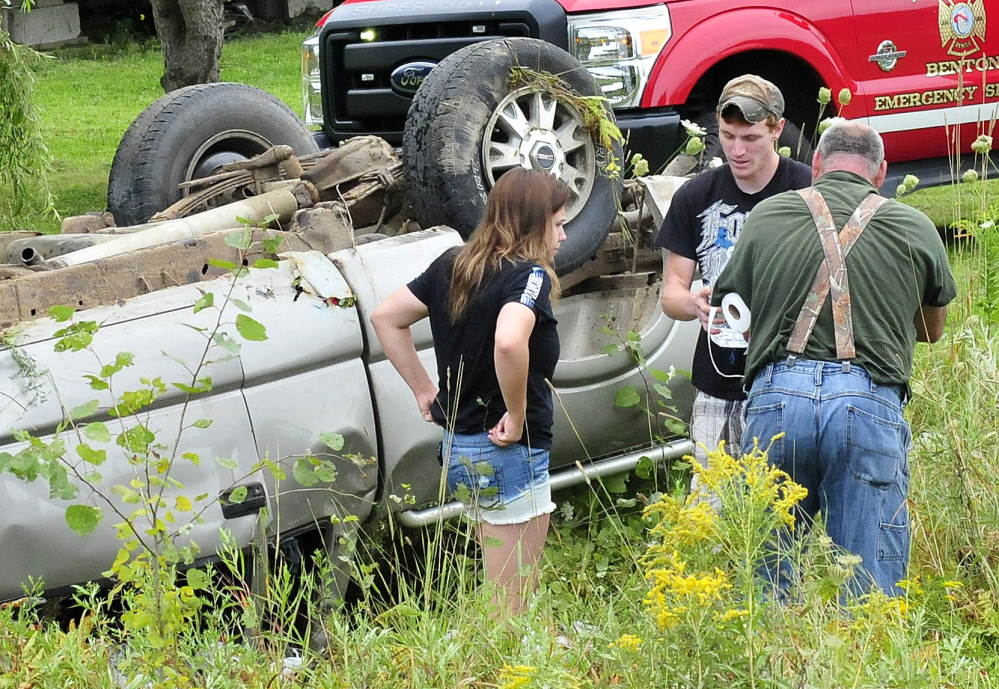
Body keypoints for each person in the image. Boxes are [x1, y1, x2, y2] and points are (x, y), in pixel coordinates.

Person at [711, 120, 957, 595]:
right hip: (867, 405)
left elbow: (731, 306)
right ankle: (863, 659)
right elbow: (932, 329)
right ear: (881, 173)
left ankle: (777, 656)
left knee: (768, 576)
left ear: (817, 165)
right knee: (869, 585)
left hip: (776, 401)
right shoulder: (915, 225)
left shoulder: (767, 215)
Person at [370, 168, 570, 618]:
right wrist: (516, 415)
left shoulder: (453, 264)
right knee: (512, 606)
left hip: (459, 447)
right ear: (533, 222)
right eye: (557, 223)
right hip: (508, 451)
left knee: (505, 587)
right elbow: (508, 340)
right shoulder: (530, 275)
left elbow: (386, 317)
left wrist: (425, 391)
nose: (563, 234)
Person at [655, 75, 812, 509]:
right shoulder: (695, 196)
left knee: (780, 509)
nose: (737, 150)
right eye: (727, 136)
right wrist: (693, 304)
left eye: (750, 137)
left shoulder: (806, 189)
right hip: (717, 378)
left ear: (777, 130)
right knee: (709, 505)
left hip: (788, 375)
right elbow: (671, 294)